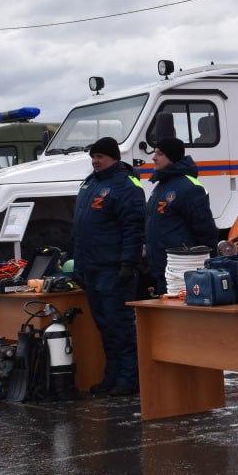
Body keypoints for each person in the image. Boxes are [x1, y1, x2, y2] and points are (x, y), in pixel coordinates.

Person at [72, 136, 146, 396]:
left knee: (120, 327)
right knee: (104, 327)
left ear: (113, 157)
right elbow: (81, 230)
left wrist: (129, 263)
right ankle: (111, 377)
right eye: (93, 156)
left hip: (114, 270)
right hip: (92, 269)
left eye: (100, 157)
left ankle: (129, 379)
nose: (95, 161)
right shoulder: (90, 183)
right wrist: (78, 267)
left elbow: (133, 228)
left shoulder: (125, 186)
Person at [145, 137, 218, 296]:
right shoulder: (160, 186)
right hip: (163, 269)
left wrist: (208, 265)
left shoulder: (189, 187)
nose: (154, 157)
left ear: (172, 156)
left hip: (183, 271)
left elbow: (206, 231)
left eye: (160, 153)